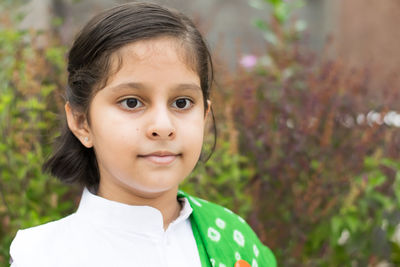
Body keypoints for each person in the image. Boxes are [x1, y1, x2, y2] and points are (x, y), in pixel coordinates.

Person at [9, 2, 276, 267]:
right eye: (132, 102)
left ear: (205, 118)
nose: (162, 126)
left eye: (181, 103)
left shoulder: (235, 240)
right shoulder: (41, 256)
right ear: (81, 123)